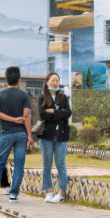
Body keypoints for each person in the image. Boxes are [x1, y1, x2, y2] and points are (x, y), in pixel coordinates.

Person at [0, 66, 32, 202]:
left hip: (6, 134)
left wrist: (11, 119)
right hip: (21, 134)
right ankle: (13, 194)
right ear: (19, 80)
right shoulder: (24, 95)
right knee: (19, 165)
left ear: (6, 79)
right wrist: (29, 135)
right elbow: (26, 116)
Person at [38, 71, 72, 203]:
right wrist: (59, 114)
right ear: (47, 83)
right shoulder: (42, 98)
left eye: (57, 80)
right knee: (46, 165)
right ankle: (48, 191)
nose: (55, 82)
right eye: (52, 80)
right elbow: (42, 115)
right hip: (46, 135)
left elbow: (68, 113)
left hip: (61, 135)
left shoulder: (63, 97)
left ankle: (61, 193)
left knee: (60, 164)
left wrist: (53, 112)